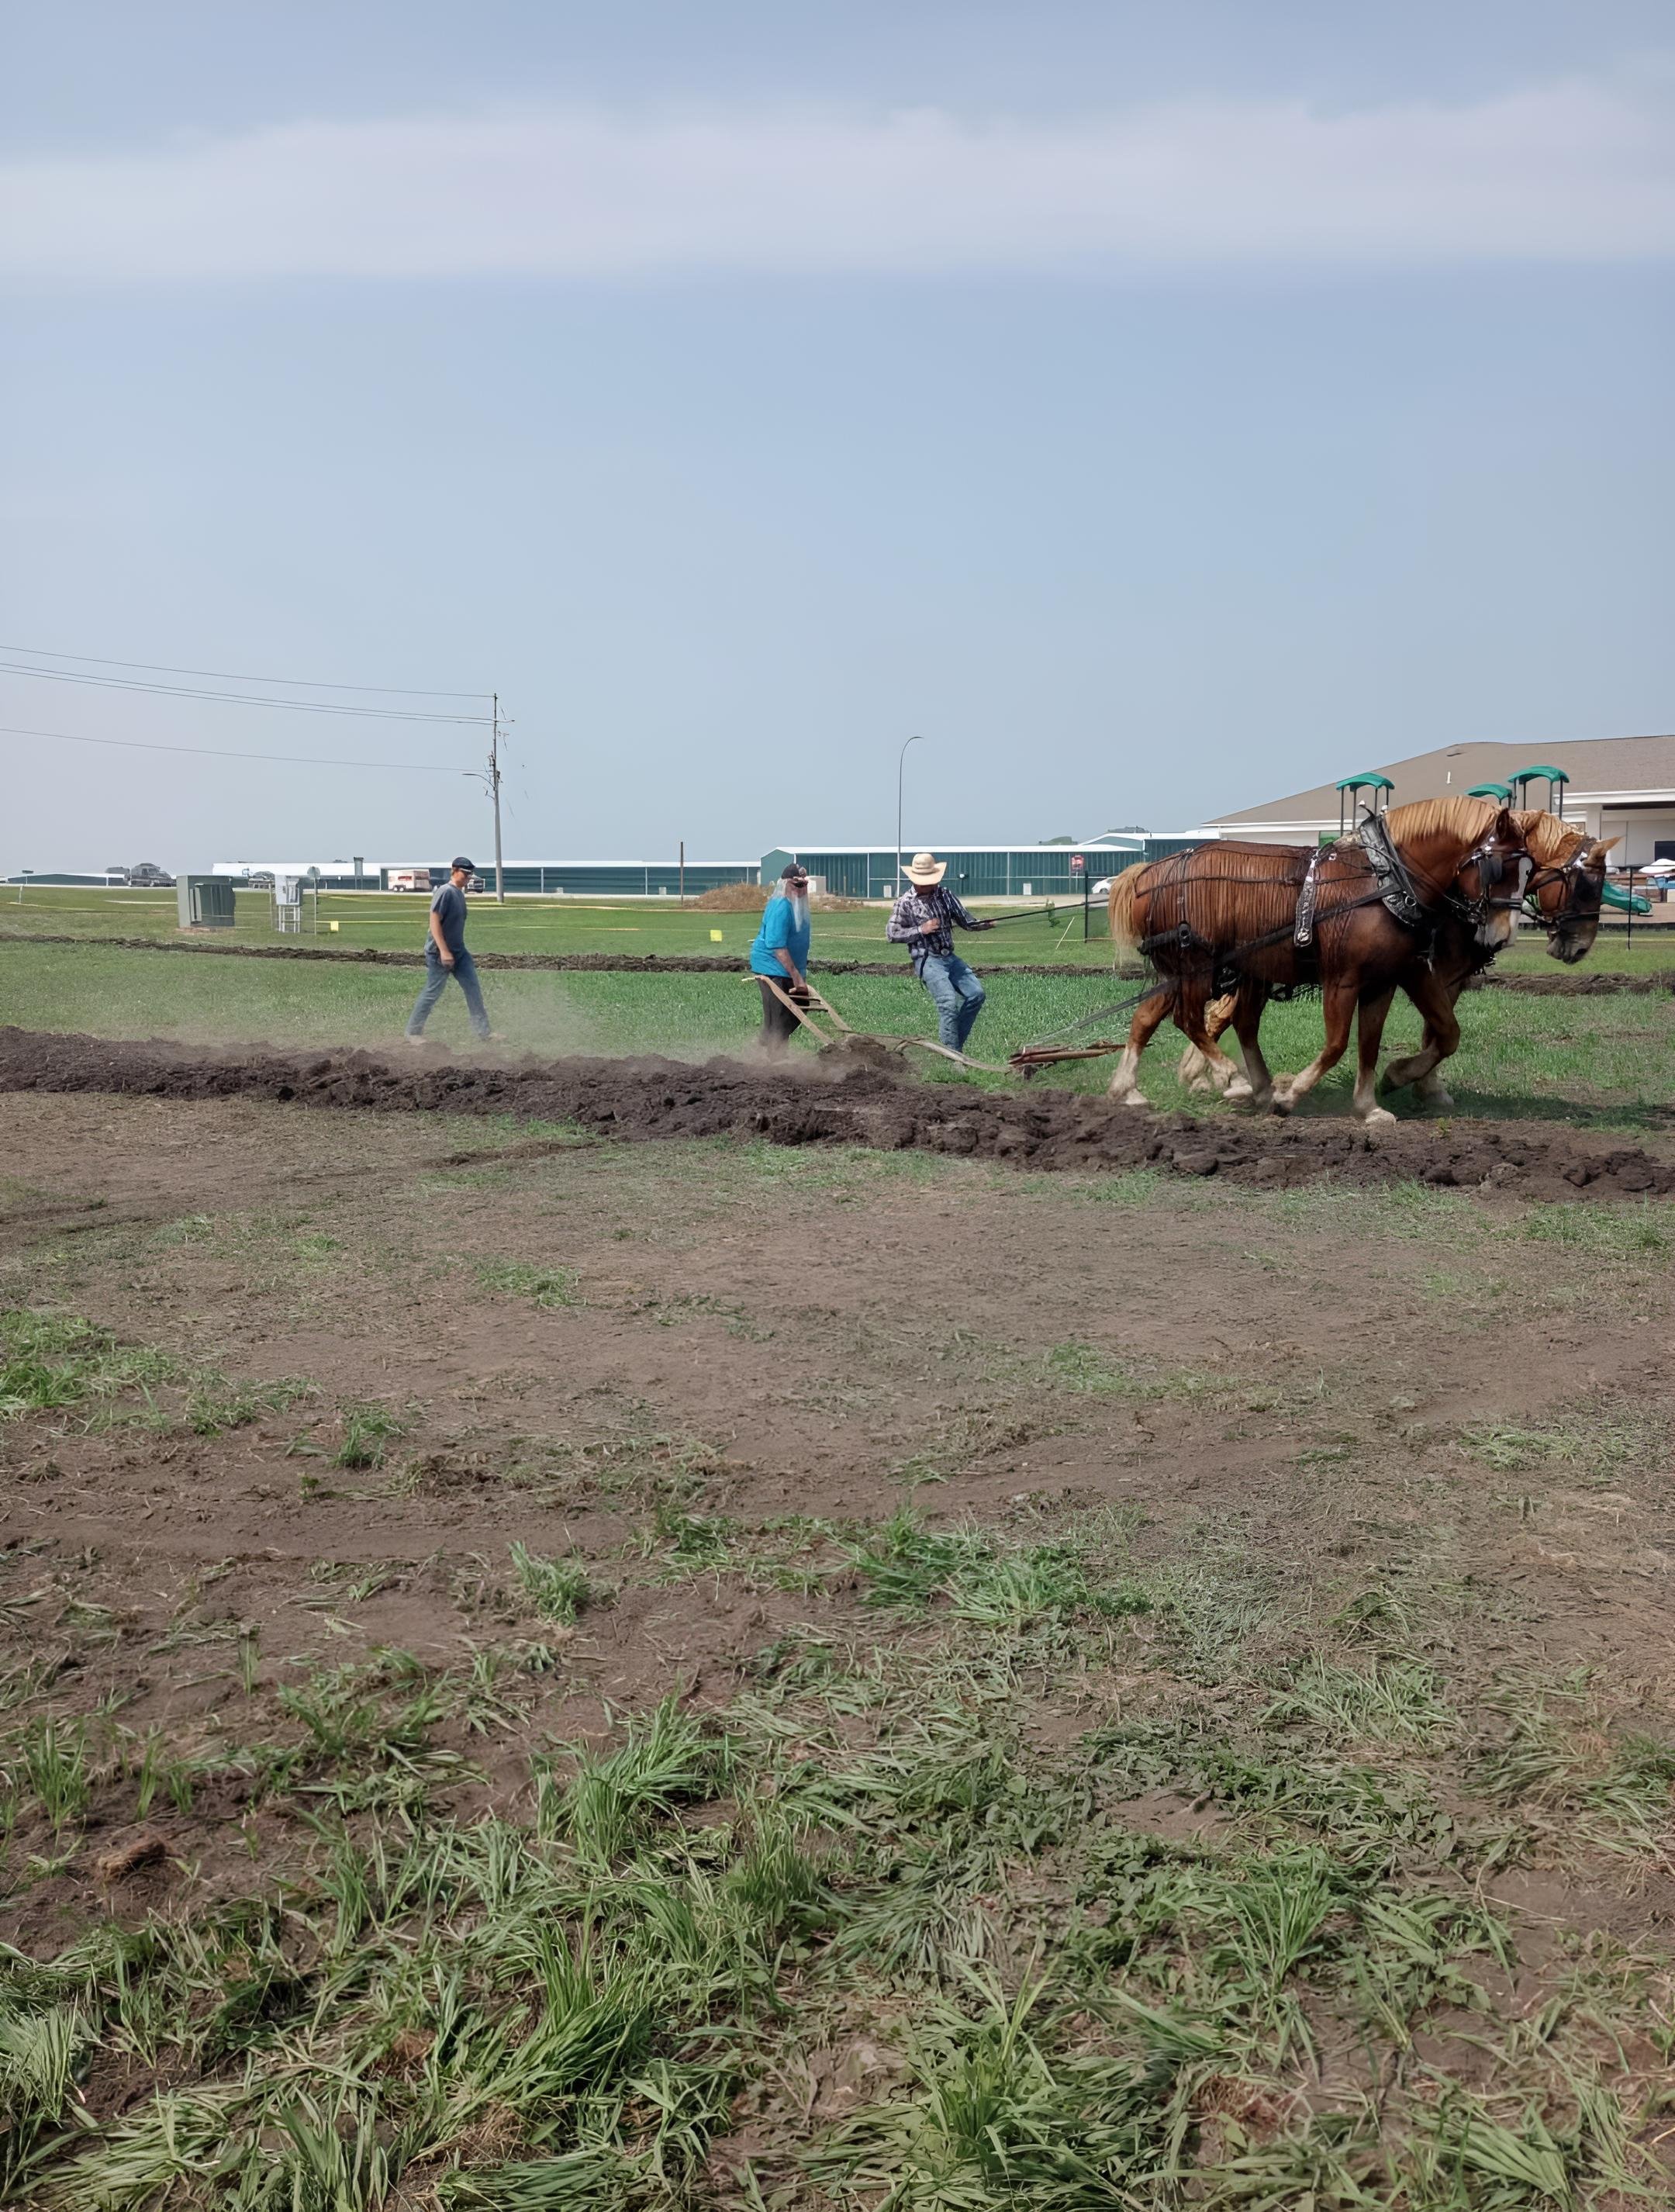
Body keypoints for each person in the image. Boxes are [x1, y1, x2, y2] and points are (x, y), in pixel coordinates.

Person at [886, 851, 996, 1052]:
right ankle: (953, 1056)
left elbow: (966, 921)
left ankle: (952, 1049)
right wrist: (921, 929)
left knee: (976, 995)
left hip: (950, 958)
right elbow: (892, 933)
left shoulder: (945, 895)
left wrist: (984, 924)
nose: (929, 884)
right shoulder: (905, 902)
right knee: (948, 1003)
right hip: (928, 960)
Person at [405, 857, 492, 1043]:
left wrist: (454, 951)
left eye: (470, 875)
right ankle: (413, 1033)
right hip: (439, 953)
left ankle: (484, 1033)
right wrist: (444, 951)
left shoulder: (459, 894)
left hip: (459, 952)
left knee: (473, 989)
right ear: (454, 870)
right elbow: (434, 922)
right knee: (432, 991)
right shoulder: (445, 892)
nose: (468, 878)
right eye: (465, 874)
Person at [748, 862, 813, 1052]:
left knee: (800, 1007)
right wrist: (796, 976)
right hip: (772, 966)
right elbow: (778, 947)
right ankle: (775, 1060)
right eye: (797, 885)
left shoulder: (799, 907)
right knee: (779, 1015)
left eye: (804, 886)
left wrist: (800, 972)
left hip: (789, 968)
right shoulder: (781, 907)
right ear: (785, 884)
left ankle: (766, 1043)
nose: (801, 890)